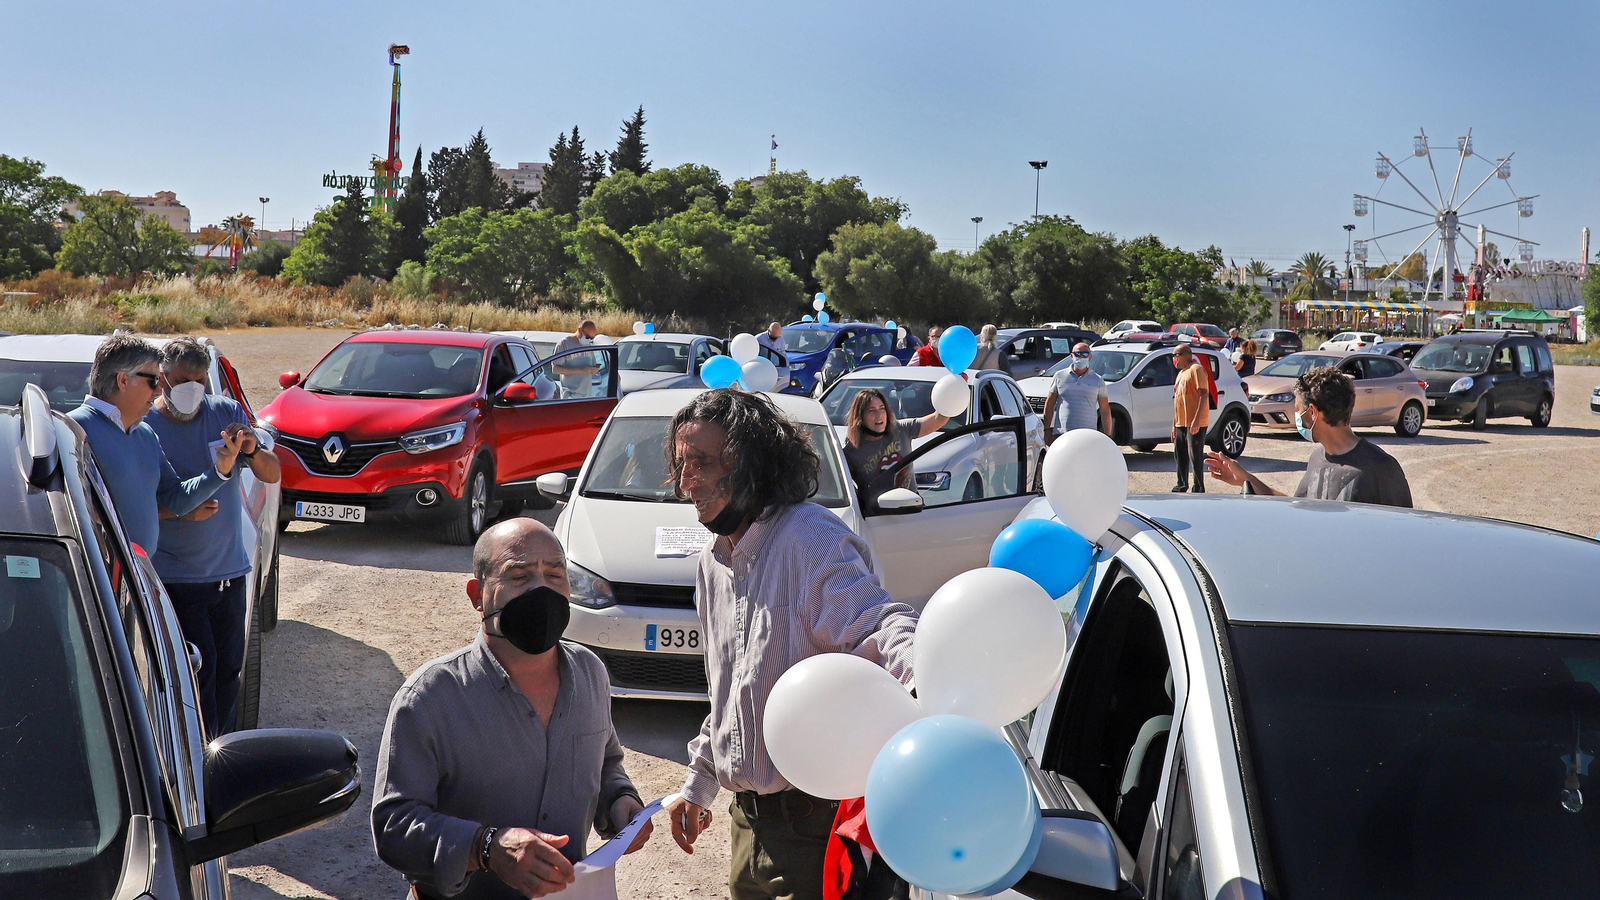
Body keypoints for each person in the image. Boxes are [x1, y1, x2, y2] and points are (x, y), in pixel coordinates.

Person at [663, 390, 918, 900]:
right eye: (681, 464)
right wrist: (700, 783)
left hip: (814, 831)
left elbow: (878, 624)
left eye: (703, 463)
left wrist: (931, 674)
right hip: (747, 824)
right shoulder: (713, 562)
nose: (686, 482)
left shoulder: (809, 538)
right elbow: (731, 694)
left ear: (751, 462)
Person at [373, 518, 649, 900]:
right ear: (477, 595)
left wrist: (621, 802)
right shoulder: (429, 698)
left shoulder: (591, 674)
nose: (542, 589)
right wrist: (484, 848)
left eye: (555, 575)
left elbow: (605, 764)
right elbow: (393, 826)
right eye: (519, 576)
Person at [144, 337, 281, 737]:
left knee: (228, 673)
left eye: (201, 380)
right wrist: (179, 510)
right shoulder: (145, 426)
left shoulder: (226, 413)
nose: (193, 389)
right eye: (183, 380)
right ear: (162, 379)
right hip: (175, 578)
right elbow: (130, 504)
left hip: (228, 574)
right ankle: (195, 756)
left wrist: (252, 450)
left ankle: (221, 751)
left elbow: (272, 473)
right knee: (194, 678)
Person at [66, 334, 243, 556]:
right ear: (123, 380)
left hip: (135, 574)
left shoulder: (145, 434)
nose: (159, 391)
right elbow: (57, 508)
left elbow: (175, 500)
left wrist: (220, 470)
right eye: (153, 381)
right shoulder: (73, 429)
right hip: (93, 574)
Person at [1205, 366, 1412, 507]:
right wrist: (1247, 479)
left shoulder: (1382, 468)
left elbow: (1404, 536)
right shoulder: (1317, 458)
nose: (1297, 417)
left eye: (1298, 410)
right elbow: (1298, 508)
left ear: (1312, 412)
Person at [842, 388, 948, 501]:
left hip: (911, 505)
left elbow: (938, 419)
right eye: (872, 411)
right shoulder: (850, 452)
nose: (879, 415)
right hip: (875, 511)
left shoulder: (901, 429)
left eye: (882, 409)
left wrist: (950, 393)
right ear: (860, 417)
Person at [1041, 342, 1111, 442]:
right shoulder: (1059, 376)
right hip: (1062, 433)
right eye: (1077, 354)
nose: (1081, 357)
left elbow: (1105, 410)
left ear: (1090, 357)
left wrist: (1108, 436)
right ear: (1071, 356)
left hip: (1088, 435)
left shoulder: (1098, 380)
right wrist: (1047, 429)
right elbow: (1050, 403)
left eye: (1085, 354)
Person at [1171, 344, 1209, 493]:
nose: (1174, 359)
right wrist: (1174, 425)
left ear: (1184, 355)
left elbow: (1204, 394)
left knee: (1195, 455)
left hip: (1195, 422)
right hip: (1181, 422)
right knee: (1180, 454)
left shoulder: (1196, 369)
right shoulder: (1181, 373)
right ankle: (1181, 484)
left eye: (1175, 355)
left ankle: (1198, 487)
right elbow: (1177, 401)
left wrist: (1197, 420)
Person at [552, 320, 601, 399]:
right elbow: (555, 369)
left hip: (586, 397)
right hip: (570, 396)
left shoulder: (589, 345)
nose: (589, 340)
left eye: (592, 338)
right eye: (587, 337)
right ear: (580, 330)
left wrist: (594, 370)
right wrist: (581, 370)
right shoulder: (564, 343)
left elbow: (591, 367)